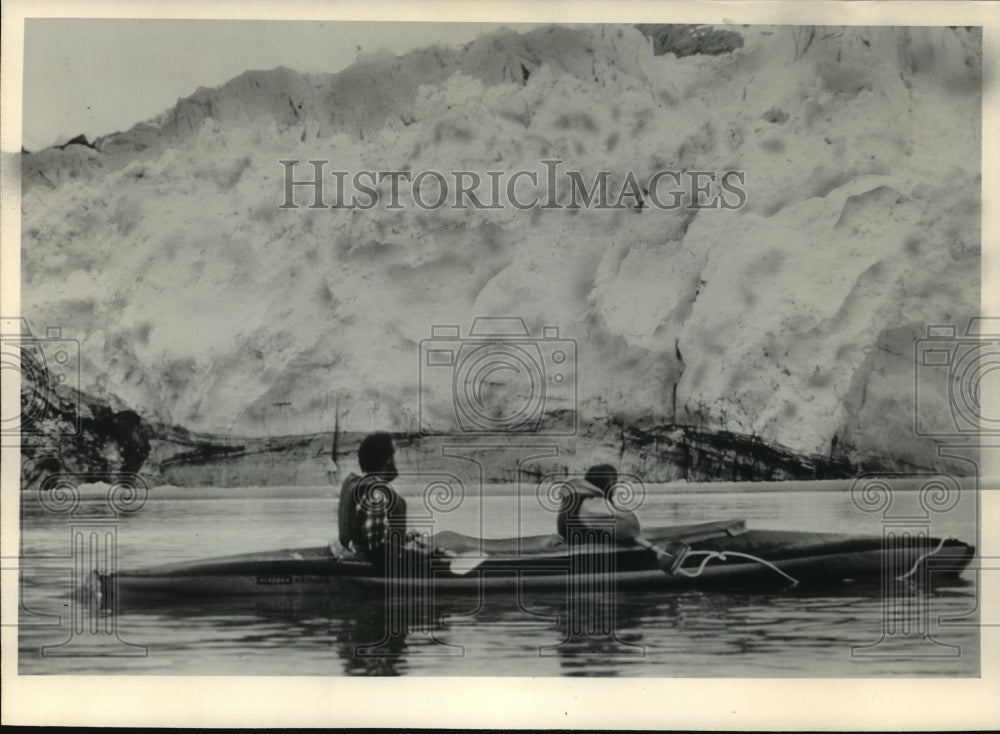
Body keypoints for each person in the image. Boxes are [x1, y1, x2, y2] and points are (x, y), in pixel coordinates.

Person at [337, 432, 410, 564]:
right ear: (388, 460)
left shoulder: (359, 485)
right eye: (394, 455)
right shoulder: (377, 494)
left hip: (355, 554)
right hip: (374, 566)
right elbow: (377, 549)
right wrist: (414, 553)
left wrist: (406, 538)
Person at [556, 463, 622, 541]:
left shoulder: (576, 499)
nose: (615, 489)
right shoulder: (593, 504)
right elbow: (631, 528)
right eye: (614, 484)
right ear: (609, 485)